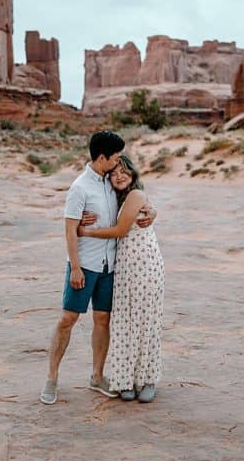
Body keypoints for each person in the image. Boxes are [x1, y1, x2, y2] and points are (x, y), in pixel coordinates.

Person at [39, 130, 154, 405]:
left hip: (110, 267)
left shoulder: (111, 183)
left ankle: (97, 376)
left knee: (102, 320)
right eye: (114, 158)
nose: (118, 163)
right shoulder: (80, 188)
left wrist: (153, 211)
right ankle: (52, 379)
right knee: (68, 319)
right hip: (85, 266)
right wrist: (75, 268)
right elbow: (69, 231)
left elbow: (136, 200)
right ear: (102, 157)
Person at [76, 154, 163, 403]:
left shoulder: (136, 195)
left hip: (145, 265)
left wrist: (85, 231)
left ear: (133, 173)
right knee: (124, 322)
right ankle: (126, 379)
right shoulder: (116, 197)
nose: (119, 176)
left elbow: (120, 230)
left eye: (124, 171)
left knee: (146, 321)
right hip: (124, 267)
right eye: (114, 173)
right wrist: (82, 217)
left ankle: (147, 379)